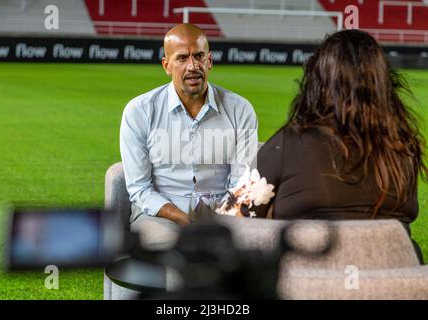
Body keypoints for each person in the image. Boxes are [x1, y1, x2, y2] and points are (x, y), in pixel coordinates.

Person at [253, 30, 426, 261]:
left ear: (318, 83)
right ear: (384, 83)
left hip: (309, 287)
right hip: (397, 283)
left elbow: (235, 220)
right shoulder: (404, 148)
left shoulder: (288, 143)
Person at [120, 24, 258, 250]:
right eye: (182, 58)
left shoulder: (240, 109)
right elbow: (140, 189)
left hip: (223, 215)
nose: (193, 66)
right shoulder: (139, 111)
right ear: (167, 65)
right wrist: (184, 219)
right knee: (176, 250)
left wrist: (219, 223)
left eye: (199, 56)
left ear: (210, 61)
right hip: (160, 216)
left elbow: (241, 184)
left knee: (245, 248)